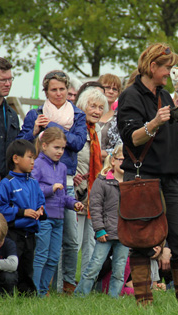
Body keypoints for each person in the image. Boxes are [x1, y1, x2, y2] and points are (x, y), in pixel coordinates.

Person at [117, 43, 178, 306]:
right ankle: (144, 304)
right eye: (167, 68)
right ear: (152, 67)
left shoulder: (165, 96)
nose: (170, 73)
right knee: (141, 241)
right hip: (142, 178)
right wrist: (154, 122)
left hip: (169, 177)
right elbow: (132, 138)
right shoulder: (131, 96)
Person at [17, 70, 87, 294]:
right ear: (46, 91)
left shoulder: (77, 114)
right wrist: (37, 129)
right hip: (41, 178)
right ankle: (40, 288)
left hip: (66, 179)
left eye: (62, 89)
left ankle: (64, 283)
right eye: (53, 90)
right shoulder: (35, 113)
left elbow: (77, 143)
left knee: (69, 240)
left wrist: (56, 126)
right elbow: (21, 144)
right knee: (43, 244)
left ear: (68, 90)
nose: (58, 93)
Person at [31, 127, 83, 297]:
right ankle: (36, 291)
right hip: (44, 217)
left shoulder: (62, 168)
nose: (60, 151)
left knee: (54, 257)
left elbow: (63, 195)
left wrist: (74, 204)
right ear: (44, 146)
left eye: (63, 148)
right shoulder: (37, 164)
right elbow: (32, 189)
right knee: (41, 255)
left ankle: (44, 291)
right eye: (56, 147)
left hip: (59, 217)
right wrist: (50, 189)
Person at [75, 143, 130, 298]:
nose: (123, 163)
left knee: (119, 270)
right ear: (113, 161)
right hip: (105, 232)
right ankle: (80, 295)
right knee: (94, 267)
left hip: (124, 235)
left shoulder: (130, 183)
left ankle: (114, 298)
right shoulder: (102, 181)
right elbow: (95, 207)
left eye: (127, 160)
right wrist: (99, 229)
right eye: (121, 159)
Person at [0, 139, 46, 294]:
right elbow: (0, 208)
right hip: (14, 233)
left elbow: (41, 201)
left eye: (34, 158)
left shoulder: (33, 182)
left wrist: (40, 210)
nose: (33, 162)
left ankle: (27, 295)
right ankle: (6, 293)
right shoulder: (7, 182)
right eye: (29, 157)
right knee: (12, 266)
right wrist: (22, 212)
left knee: (27, 266)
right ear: (16, 159)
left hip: (30, 233)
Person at [71, 88, 106, 290]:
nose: (97, 110)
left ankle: (85, 285)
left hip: (92, 190)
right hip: (76, 189)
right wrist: (71, 172)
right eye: (93, 106)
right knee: (73, 241)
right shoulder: (75, 126)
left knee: (90, 243)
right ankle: (64, 284)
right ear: (83, 105)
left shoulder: (97, 130)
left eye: (101, 107)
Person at [98, 74, 122, 158]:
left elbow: (119, 148)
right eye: (107, 87)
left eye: (115, 89)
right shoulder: (89, 113)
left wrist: (99, 154)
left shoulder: (119, 118)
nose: (111, 91)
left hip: (108, 166)